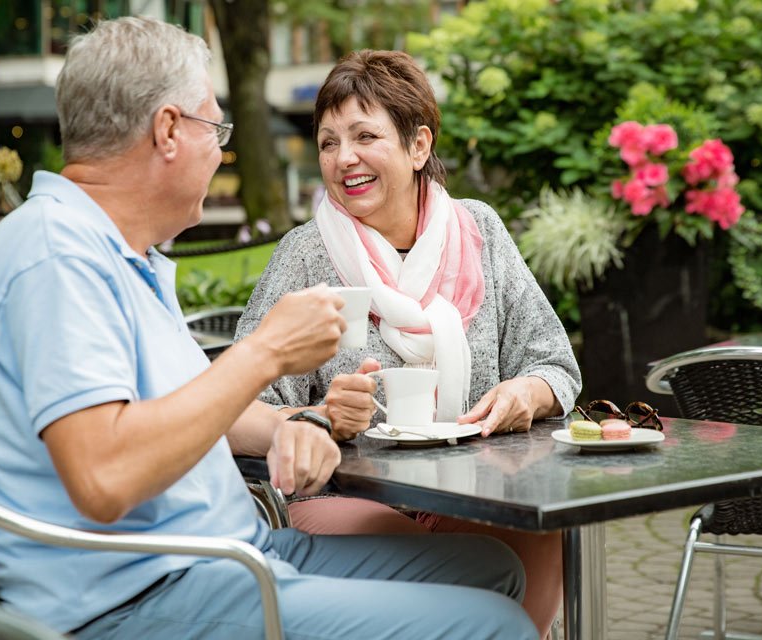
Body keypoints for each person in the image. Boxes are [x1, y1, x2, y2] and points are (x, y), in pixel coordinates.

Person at [0, 18, 538, 640]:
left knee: (490, 569)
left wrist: (305, 423)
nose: (222, 149)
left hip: (225, 554)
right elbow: (104, 479)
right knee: (493, 624)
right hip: (137, 598)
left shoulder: (121, 254)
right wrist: (263, 354)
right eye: (216, 128)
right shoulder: (58, 256)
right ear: (169, 131)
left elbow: (200, 412)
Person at [235, 50, 582, 639]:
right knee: (430, 553)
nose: (344, 159)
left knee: (541, 532)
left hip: (476, 491)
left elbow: (553, 362)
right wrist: (318, 417)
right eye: (328, 142)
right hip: (348, 497)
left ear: (418, 146)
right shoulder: (305, 255)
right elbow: (239, 401)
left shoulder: (480, 233)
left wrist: (529, 391)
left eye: (365, 136)